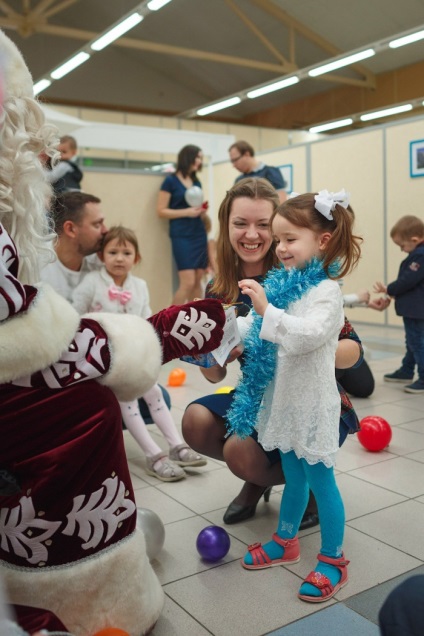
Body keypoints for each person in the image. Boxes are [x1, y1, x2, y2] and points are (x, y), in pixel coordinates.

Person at [0, 30, 226, 635]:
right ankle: (95, 579)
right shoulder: (43, 267)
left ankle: (168, 446)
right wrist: (156, 337)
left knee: (139, 390)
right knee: (97, 402)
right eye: (98, 226)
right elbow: (36, 344)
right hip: (56, 544)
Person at [182, 179, 363, 531]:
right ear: (226, 225)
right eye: (240, 223)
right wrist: (207, 349)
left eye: (263, 225)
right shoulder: (219, 288)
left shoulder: (299, 273)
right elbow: (216, 373)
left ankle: (280, 479)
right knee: (195, 422)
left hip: (309, 396)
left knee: (239, 450)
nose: (252, 235)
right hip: (258, 395)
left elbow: (352, 352)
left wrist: (296, 340)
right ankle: (265, 473)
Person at [231, 189, 361, 604]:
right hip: (283, 402)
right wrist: (224, 334)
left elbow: (308, 337)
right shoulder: (284, 284)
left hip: (313, 406)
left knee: (322, 483)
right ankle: (286, 540)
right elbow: (254, 329)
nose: (280, 247)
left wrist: (268, 310)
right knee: (294, 476)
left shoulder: (326, 291)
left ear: (322, 241)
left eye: (290, 239)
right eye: (279, 238)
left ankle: (333, 559)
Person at [72, 225, 207, 481]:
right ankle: (154, 455)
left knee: (154, 392)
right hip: (107, 362)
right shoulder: (91, 282)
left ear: (136, 257)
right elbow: (76, 316)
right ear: (102, 256)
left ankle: (176, 445)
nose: (120, 258)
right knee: (128, 400)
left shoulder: (140, 286)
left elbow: (147, 322)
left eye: (126, 252)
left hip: (135, 356)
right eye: (113, 252)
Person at [42, 190, 172, 422]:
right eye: (97, 223)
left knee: (158, 398)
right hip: (58, 366)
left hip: (105, 359)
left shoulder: (101, 263)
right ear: (71, 229)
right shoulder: (39, 267)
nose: (105, 230)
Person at [374, 215, 424, 394]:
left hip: (417, 311)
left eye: (402, 246)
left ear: (415, 240)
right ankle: (406, 370)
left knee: (417, 343)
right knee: (413, 342)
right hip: (415, 309)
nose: (402, 250)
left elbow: (407, 281)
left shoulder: (420, 256)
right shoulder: (417, 254)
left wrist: (389, 289)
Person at [157, 144, 209, 304]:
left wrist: (201, 210)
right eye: (197, 157)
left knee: (198, 279)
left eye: (201, 158)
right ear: (188, 158)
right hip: (181, 235)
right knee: (187, 282)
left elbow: (195, 206)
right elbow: (161, 211)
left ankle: (198, 318)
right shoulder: (170, 181)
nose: (199, 161)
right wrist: (186, 212)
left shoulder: (196, 181)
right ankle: (170, 321)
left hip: (198, 232)